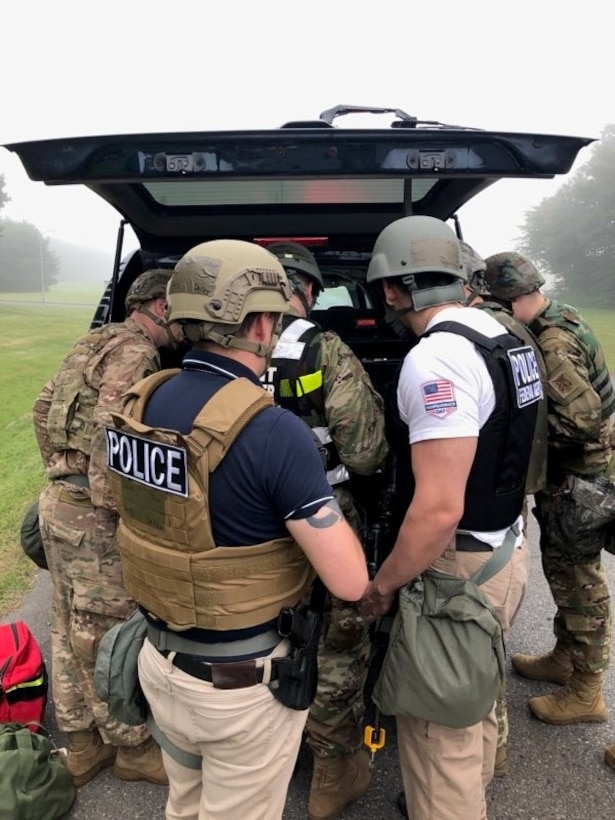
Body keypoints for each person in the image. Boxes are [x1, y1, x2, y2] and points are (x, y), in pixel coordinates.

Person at [105, 240, 369, 820]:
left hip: (158, 660)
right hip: (239, 685)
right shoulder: (273, 432)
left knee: (186, 803)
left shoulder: (140, 403)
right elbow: (349, 582)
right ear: (260, 323)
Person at [363, 216, 540, 820]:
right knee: (474, 702)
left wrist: (382, 586)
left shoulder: (436, 358)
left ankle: (448, 804)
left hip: (457, 567)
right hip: (505, 550)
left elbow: (438, 509)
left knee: (440, 735)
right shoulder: (506, 336)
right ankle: (468, 793)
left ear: (390, 290)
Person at [33, 269, 181, 787]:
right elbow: (110, 433)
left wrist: (59, 468)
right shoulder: (137, 353)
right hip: (92, 516)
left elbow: (42, 406)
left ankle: (81, 745)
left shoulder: (93, 340)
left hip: (58, 502)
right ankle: (132, 749)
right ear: (160, 307)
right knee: (105, 633)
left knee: (66, 624)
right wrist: (115, 511)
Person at [264, 241, 389, 820]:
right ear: (308, 291)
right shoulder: (323, 348)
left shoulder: (216, 347)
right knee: (338, 636)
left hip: (238, 516)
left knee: (259, 630)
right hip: (320, 510)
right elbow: (364, 453)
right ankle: (331, 776)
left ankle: (264, 754)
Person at [484, 251, 614, 730]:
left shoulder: (552, 342)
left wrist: (529, 436)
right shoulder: (557, 316)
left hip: (581, 480)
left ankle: (586, 691)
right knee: (564, 571)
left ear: (513, 298)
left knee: (580, 582)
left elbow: (582, 419)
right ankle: (566, 659)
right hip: (578, 476)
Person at [461, 240, 548, 778]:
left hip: (482, 530)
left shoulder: (476, 343)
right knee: (483, 644)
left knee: (471, 648)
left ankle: (478, 765)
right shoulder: (516, 339)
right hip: (506, 517)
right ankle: (490, 754)